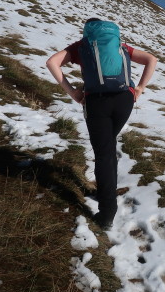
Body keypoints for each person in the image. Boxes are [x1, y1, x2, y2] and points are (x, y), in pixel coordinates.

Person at [46, 18, 157, 230]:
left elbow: (52, 62)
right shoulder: (120, 46)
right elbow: (152, 59)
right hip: (125, 100)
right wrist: (140, 88)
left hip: (96, 102)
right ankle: (107, 192)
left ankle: (107, 212)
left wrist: (73, 93)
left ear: (87, 32)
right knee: (108, 146)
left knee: (103, 154)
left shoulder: (81, 47)